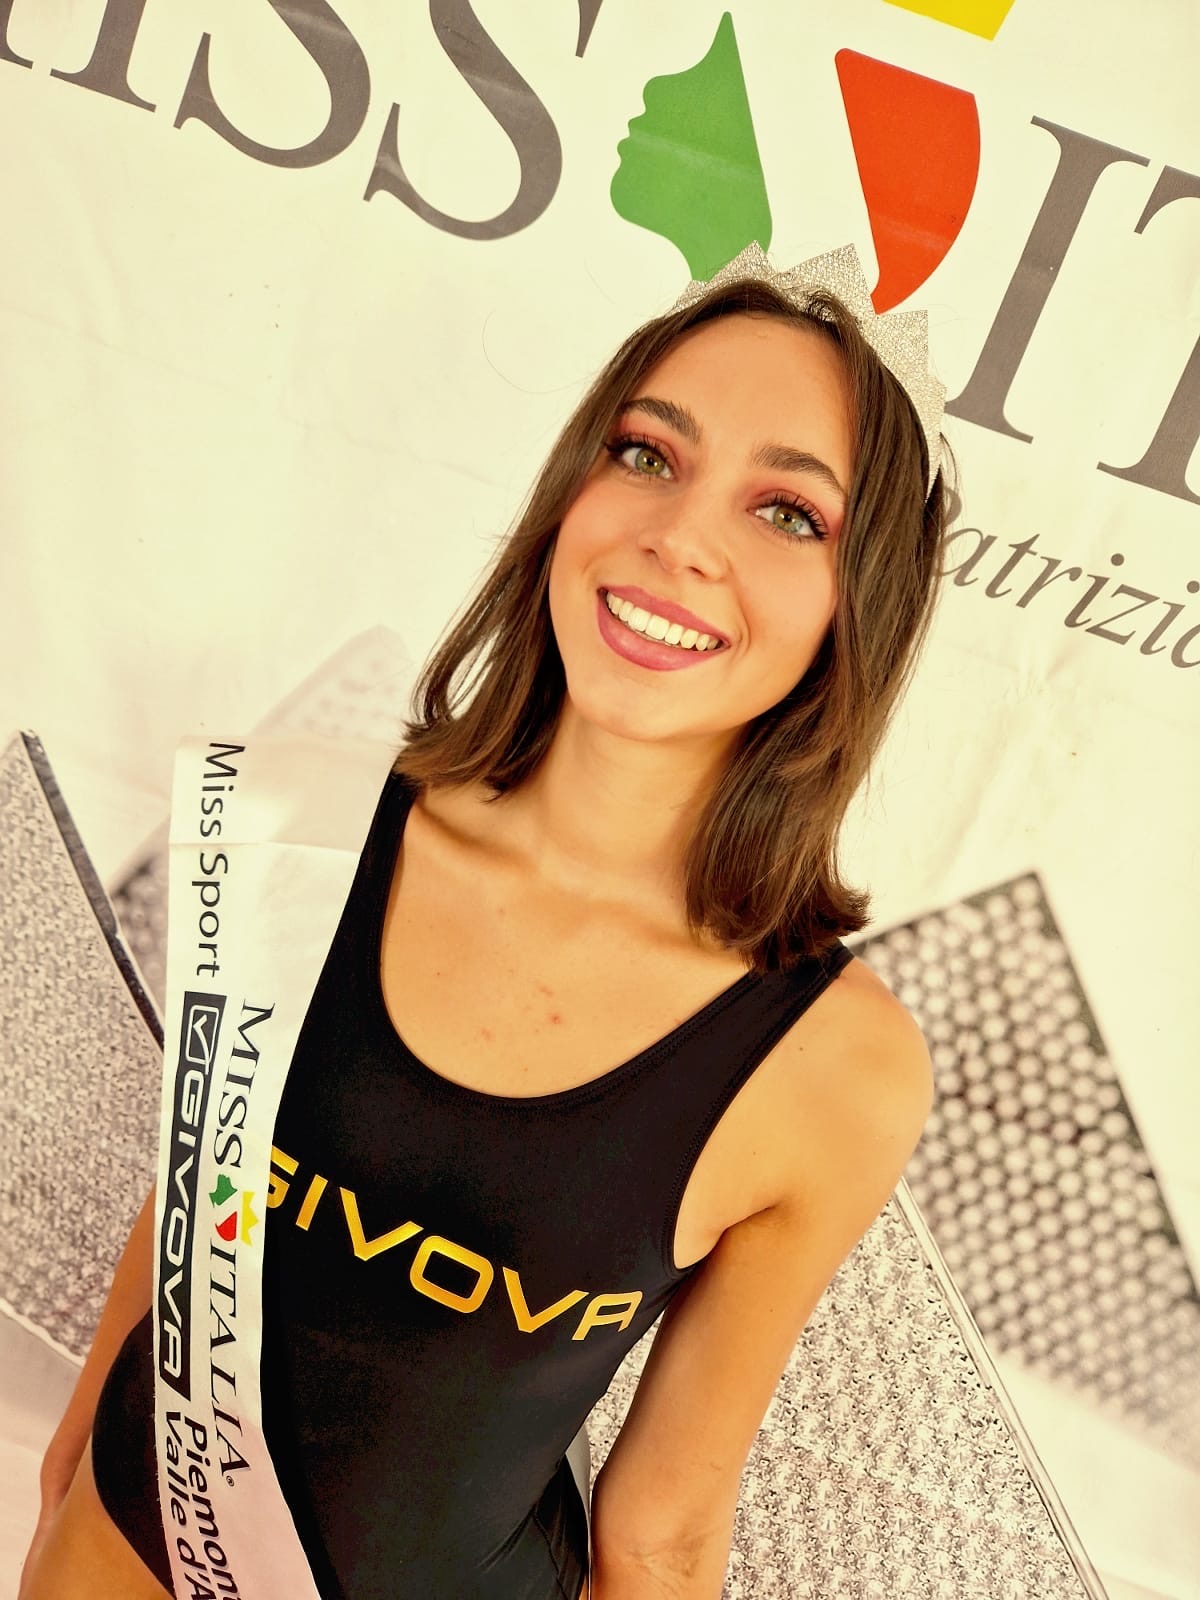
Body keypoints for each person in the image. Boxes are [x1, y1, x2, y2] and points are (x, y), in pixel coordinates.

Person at [21, 242, 946, 1600]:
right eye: (647, 454)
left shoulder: (835, 1064)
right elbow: (188, 1216)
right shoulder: (298, 826)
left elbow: (666, 1527)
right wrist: (67, 1475)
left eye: (788, 512)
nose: (680, 537)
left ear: (857, 608)